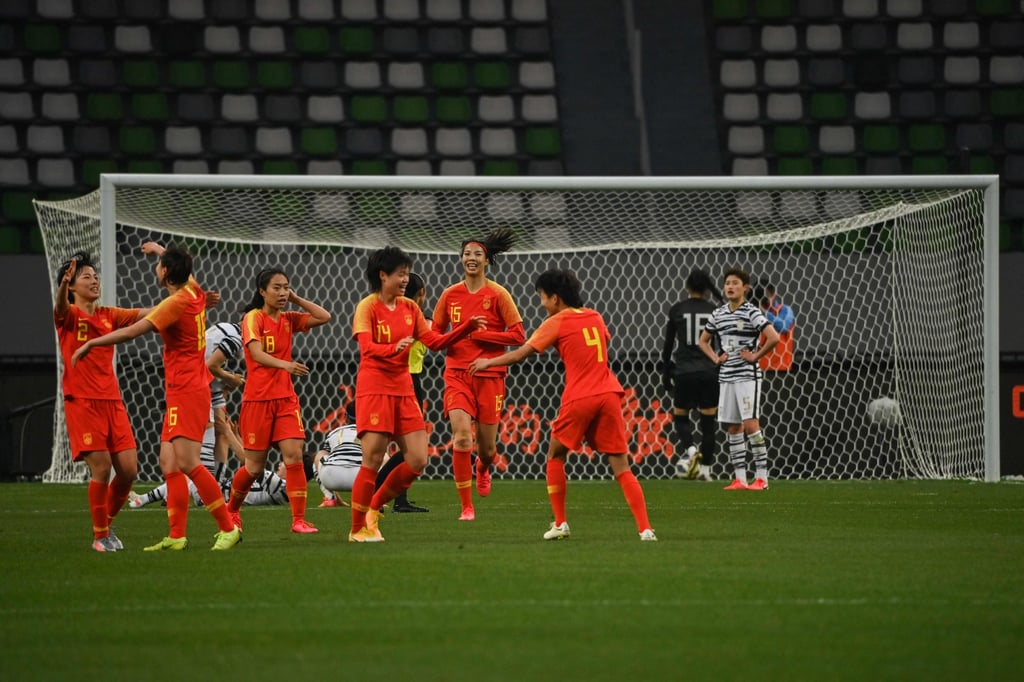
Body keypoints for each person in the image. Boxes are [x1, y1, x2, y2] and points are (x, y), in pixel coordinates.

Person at [72, 242, 241, 551]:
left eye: (159, 265)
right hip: (181, 389)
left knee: (189, 462)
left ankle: (228, 527)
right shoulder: (193, 291)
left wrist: (92, 344)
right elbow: (183, 270)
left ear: (164, 273)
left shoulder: (176, 303)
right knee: (169, 463)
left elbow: (132, 331)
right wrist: (160, 250)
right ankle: (177, 535)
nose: (155, 268)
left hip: (188, 390)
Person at [468, 269, 657, 542]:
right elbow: (603, 340)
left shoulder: (557, 321)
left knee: (555, 455)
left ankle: (560, 524)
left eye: (543, 298)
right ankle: (645, 529)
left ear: (555, 298)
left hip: (580, 395)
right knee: (622, 467)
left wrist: (488, 362)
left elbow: (522, 353)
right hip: (610, 393)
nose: (542, 304)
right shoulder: (594, 315)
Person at [348, 246, 483, 542]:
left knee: (418, 460)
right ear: (383, 276)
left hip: (404, 391)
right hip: (375, 390)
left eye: (407, 274)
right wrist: (392, 349)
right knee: (371, 459)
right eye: (401, 274)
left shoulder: (411, 309)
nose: (405, 279)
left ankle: (374, 506)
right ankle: (357, 528)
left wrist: (464, 328)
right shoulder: (367, 307)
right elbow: (366, 348)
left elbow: (434, 341)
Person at [225, 267, 331, 535]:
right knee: (253, 467)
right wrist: (286, 365)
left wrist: (295, 299)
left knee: (294, 456)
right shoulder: (253, 318)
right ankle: (232, 510)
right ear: (262, 291)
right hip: (258, 401)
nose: (282, 292)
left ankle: (298, 520)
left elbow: (324, 316)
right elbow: (257, 354)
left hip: (286, 401)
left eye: (286, 287)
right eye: (277, 288)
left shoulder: (289, 318)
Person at [432, 228, 525, 521]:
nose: (471, 258)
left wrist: (485, 336)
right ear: (461, 259)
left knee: (487, 450)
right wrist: (463, 330)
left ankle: (483, 468)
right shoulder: (450, 295)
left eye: (477, 254)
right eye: (467, 254)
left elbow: (519, 335)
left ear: (486, 261)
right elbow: (435, 337)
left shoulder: (498, 294)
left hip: (490, 376)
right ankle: (466, 507)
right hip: (457, 374)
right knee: (461, 438)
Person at [54, 252, 143, 552]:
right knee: (102, 467)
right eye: (85, 277)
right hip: (82, 401)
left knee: (129, 470)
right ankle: (100, 536)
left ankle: (105, 523)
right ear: (71, 287)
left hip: (112, 400)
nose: (93, 280)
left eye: (95, 276)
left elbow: (147, 314)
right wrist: (61, 289)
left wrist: (183, 302)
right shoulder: (67, 315)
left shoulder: (109, 314)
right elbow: (59, 307)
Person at [698, 267, 780, 491]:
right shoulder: (719, 313)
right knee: (733, 428)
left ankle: (762, 479)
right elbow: (702, 340)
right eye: (727, 283)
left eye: (735, 283)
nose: (730, 287)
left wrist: (755, 356)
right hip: (726, 377)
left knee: (751, 425)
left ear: (745, 288)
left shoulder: (752, 312)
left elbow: (773, 337)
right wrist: (716, 358)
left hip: (747, 376)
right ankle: (740, 479)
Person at [372, 272, 431, 513]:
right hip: (406, 383)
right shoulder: (418, 322)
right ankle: (378, 491)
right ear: (422, 293)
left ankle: (397, 498)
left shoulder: (402, 318)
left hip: (400, 382)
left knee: (404, 449)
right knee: (411, 450)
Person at [661, 268, 722, 482]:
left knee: (680, 416)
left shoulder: (678, 309)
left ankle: (691, 452)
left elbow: (668, 345)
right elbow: (720, 345)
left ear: (687, 287)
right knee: (708, 422)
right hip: (708, 370)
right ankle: (705, 471)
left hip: (684, 371)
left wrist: (666, 372)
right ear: (706, 289)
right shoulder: (714, 310)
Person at [756, 281, 795, 372]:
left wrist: (764, 313)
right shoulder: (752, 313)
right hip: (758, 368)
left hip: (780, 368)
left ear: (773, 294)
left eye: (765, 295)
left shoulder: (785, 310)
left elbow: (783, 327)